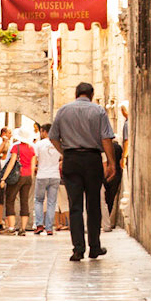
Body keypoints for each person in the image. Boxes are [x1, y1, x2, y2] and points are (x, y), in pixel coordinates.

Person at [49, 81, 117, 261]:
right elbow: (106, 138)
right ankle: (94, 247)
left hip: (72, 160)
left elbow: (53, 137)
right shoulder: (98, 111)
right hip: (92, 159)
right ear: (91, 94)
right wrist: (111, 162)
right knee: (93, 204)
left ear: (76, 94)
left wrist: (65, 152)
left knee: (75, 206)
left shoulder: (63, 111)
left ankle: (78, 249)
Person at [32, 123, 61, 235]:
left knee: (39, 200)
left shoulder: (39, 144)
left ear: (44, 131)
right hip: (55, 175)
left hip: (42, 175)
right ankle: (49, 228)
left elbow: (35, 158)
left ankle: (39, 225)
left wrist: (34, 169)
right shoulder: (58, 144)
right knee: (51, 202)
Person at [5, 131, 35, 235]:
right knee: (24, 201)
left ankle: (11, 227)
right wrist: (30, 178)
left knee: (10, 199)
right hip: (28, 177)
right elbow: (32, 166)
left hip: (17, 176)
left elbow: (12, 163)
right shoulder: (31, 149)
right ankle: (23, 228)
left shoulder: (16, 148)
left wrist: (4, 178)